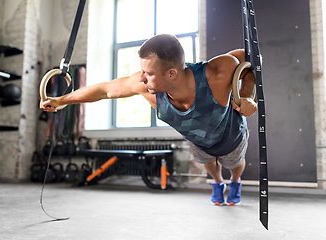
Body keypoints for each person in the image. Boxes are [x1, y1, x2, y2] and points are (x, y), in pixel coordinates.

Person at [40, 34, 257, 205]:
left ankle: (235, 182)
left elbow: (253, 58)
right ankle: (218, 183)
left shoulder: (217, 73)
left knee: (235, 164)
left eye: (148, 72)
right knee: (209, 164)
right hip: (198, 141)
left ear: (171, 73)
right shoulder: (148, 89)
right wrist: (61, 100)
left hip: (231, 135)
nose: (141, 77)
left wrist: (247, 95)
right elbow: (105, 90)